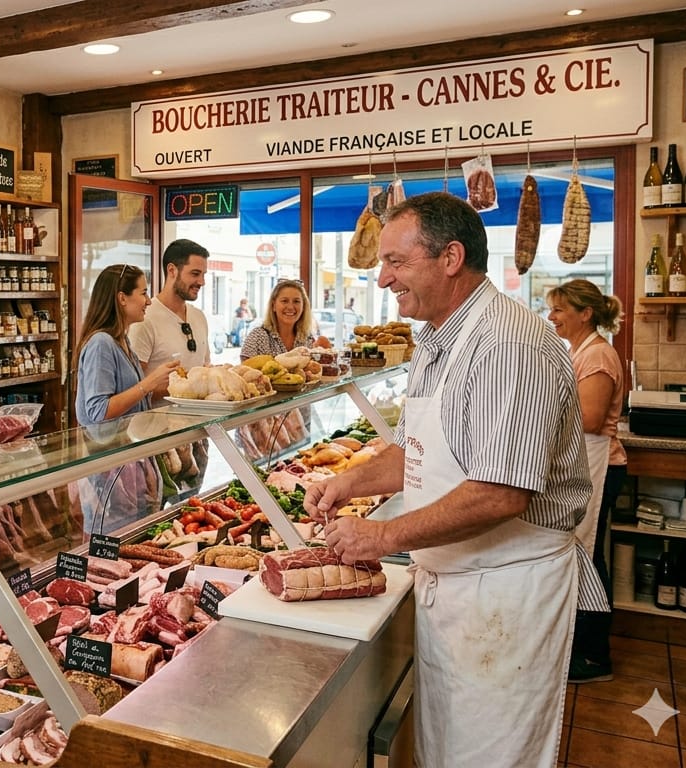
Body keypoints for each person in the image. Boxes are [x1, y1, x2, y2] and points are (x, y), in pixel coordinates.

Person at [304, 192, 600, 766]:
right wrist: (351, 483)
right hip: (455, 582)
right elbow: (421, 447)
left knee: (489, 756)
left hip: (506, 592)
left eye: (396, 261)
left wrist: (382, 537)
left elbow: (500, 491)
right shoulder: (439, 337)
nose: (383, 277)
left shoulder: (508, 344)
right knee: (445, 751)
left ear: (450, 257)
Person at [547, 278, 626, 684]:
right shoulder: (582, 351)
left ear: (585, 313)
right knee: (585, 556)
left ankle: (594, 657)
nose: (553, 317)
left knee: (589, 560)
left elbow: (592, 420)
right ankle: (581, 649)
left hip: (600, 466)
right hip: (588, 464)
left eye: (560, 310)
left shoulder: (597, 356)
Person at [75, 264, 180, 426]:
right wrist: (148, 383)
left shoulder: (123, 341)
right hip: (110, 449)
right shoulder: (101, 343)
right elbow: (98, 411)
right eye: (144, 293)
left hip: (130, 446)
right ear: (122, 298)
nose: (148, 301)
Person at [129, 239, 210, 397]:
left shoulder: (199, 317)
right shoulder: (145, 319)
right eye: (195, 274)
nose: (201, 282)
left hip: (199, 420)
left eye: (203, 275)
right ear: (172, 270)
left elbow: (205, 368)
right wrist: (185, 389)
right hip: (156, 420)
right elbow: (133, 389)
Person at [240, 279, 323, 358]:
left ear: (303, 307)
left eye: (296, 301)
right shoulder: (257, 336)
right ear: (273, 305)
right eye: (284, 301)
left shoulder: (308, 339)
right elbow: (245, 370)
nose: (290, 307)